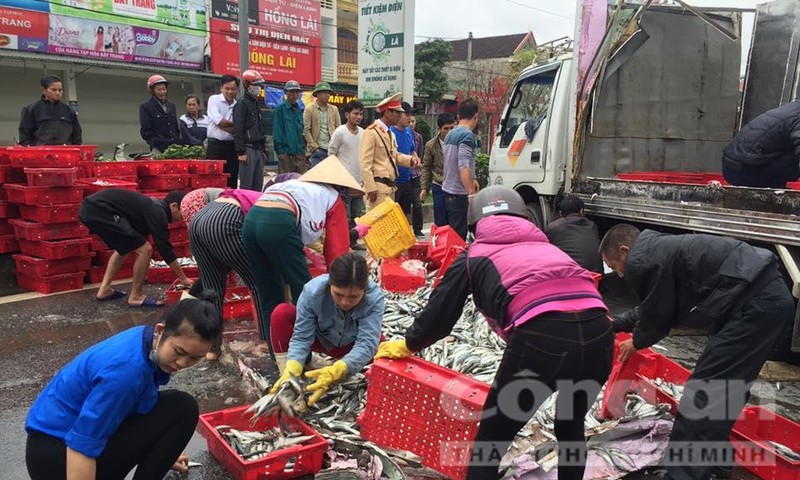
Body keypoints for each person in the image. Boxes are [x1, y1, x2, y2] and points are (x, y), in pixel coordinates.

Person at [375, 186, 612, 480]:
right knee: (570, 423)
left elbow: (440, 315)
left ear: (475, 225)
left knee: (491, 441)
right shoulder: (549, 249)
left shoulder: (474, 256)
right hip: (601, 335)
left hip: (543, 340)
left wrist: (408, 344)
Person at [599, 224, 794, 480]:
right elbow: (652, 308)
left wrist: (636, 341)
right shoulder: (660, 250)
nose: (620, 275)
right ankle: (717, 463)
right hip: (763, 300)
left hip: (755, 306)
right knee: (724, 391)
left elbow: (657, 318)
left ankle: (683, 474)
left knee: (704, 393)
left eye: (614, 267)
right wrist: (615, 326)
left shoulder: (645, 261)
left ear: (624, 251)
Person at [25, 295, 221, 480]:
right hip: (57, 461)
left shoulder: (144, 338)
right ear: (161, 331)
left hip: (56, 445)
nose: (182, 363)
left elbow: (136, 406)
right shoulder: (126, 373)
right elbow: (82, 445)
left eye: (195, 358)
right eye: (179, 351)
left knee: (177, 406)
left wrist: (160, 450)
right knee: (182, 408)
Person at [242, 156, 369, 354]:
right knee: (304, 289)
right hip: (279, 221)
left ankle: (276, 351)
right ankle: (306, 351)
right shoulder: (333, 198)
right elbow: (336, 252)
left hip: (251, 222)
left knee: (269, 292)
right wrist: (338, 285)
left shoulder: (297, 186)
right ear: (340, 187)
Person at [180, 177, 298, 361]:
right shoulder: (281, 207)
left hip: (199, 220)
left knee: (212, 290)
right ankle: (268, 341)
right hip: (223, 221)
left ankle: (212, 348)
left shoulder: (265, 196)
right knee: (261, 282)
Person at [268, 253, 385, 404]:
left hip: (351, 346)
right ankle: (289, 382)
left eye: (353, 297)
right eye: (338, 294)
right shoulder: (312, 291)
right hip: (321, 340)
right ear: (330, 283)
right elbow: (302, 337)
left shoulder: (374, 298)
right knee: (281, 313)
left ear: (364, 289)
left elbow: (366, 343)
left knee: (383, 347)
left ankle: (344, 369)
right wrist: (293, 367)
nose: (344, 302)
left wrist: (340, 368)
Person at [79, 189, 194, 307]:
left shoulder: (152, 208)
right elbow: (164, 248)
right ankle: (136, 296)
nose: (183, 217)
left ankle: (104, 290)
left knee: (124, 245)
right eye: (183, 212)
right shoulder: (158, 211)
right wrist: (183, 278)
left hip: (92, 208)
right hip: (98, 208)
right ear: (174, 206)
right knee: (145, 249)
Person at [722, 100, 800, 188]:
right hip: (746, 172)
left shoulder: (794, 108)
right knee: (794, 155)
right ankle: (773, 187)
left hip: (731, 167)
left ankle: (776, 186)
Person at [359, 93, 416, 211]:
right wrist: (370, 187)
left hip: (389, 188)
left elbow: (394, 155)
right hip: (377, 188)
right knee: (377, 226)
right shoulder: (371, 132)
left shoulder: (389, 133)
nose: (400, 116)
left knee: (387, 227)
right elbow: (365, 163)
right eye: (398, 113)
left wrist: (411, 160)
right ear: (387, 112)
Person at [328, 100, 366, 250]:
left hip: (359, 181)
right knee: (345, 215)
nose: (359, 117)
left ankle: (353, 241)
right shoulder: (340, 132)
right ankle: (343, 243)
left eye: (361, 114)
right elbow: (331, 154)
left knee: (356, 214)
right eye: (355, 113)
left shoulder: (363, 133)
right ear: (347, 115)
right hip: (343, 182)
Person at [442, 98, 481, 239]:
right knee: (458, 239)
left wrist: (474, 178)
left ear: (459, 116)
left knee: (451, 236)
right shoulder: (467, 136)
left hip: (447, 190)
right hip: (459, 194)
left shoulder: (450, 134)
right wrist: (470, 192)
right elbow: (463, 165)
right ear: (475, 116)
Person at [545, 194, 603, 273]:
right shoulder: (592, 226)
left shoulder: (552, 228)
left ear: (560, 213)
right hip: (597, 276)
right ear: (582, 211)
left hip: (572, 277)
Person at [19, 75, 82, 146]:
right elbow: (25, 136)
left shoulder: (69, 111)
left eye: (60, 90)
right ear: (43, 90)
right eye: (53, 90)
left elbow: (77, 135)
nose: (58, 93)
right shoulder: (31, 110)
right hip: (40, 154)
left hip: (65, 153)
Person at [233, 70, 268, 191]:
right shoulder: (241, 104)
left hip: (258, 149)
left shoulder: (256, 104)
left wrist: (264, 150)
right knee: (247, 186)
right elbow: (238, 129)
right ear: (247, 85)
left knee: (258, 186)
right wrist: (240, 152)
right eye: (256, 85)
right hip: (247, 150)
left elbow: (260, 127)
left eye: (259, 85)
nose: (258, 88)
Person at [420, 113, 456, 227]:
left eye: (452, 128)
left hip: (455, 186)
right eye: (446, 128)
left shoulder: (459, 142)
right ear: (439, 129)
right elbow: (426, 166)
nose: (449, 131)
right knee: (440, 220)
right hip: (439, 185)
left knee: (455, 220)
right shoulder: (431, 145)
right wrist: (424, 188)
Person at [391, 102, 421, 234]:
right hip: (394, 180)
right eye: (407, 114)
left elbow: (412, 151)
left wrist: (416, 158)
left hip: (407, 179)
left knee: (404, 212)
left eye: (411, 115)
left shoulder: (409, 132)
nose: (409, 118)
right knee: (392, 215)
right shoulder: (390, 132)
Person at [207, 75, 240, 188]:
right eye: (227, 88)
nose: (230, 91)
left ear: (238, 90)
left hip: (232, 147)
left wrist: (227, 126)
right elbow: (219, 121)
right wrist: (235, 126)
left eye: (233, 89)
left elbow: (238, 130)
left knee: (231, 180)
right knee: (214, 180)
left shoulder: (238, 105)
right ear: (221, 88)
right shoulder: (214, 99)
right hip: (215, 147)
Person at [139, 75, 181, 156]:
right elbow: (145, 131)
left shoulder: (171, 105)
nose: (162, 92)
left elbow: (175, 127)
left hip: (175, 148)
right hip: (158, 149)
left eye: (164, 89)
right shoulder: (146, 106)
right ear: (152, 91)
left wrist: (177, 141)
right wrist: (155, 142)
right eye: (159, 90)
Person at [304, 81, 341, 168]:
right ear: (318, 94)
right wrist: (314, 147)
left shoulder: (334, 109)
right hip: (317, 150)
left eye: (328, 93)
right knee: (316, 179)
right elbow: (306, 130)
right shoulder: (309, 109)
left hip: (331, 149)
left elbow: (338, 129)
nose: (327, 95)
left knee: (330, 178)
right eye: (324, 92)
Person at [273, 80, 307, 174]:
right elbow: (277, 132)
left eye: (296, 92)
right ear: (286, 92)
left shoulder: (299, 110)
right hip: (286, 155)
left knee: (301, 183)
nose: (294, 94)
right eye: (291, 91)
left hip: (299, 154)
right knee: (286, 183)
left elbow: (301, 131)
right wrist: (281, 153)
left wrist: (303, 150)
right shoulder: (280, 109)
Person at [409, 110, 425, 237]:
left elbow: (419, 154)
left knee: (417, 203)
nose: (411, 124)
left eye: (413, 122)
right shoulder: (397, 133)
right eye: (409, 121)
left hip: (415, 174)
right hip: (402, 174)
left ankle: (418, 229)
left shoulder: (418, 137)